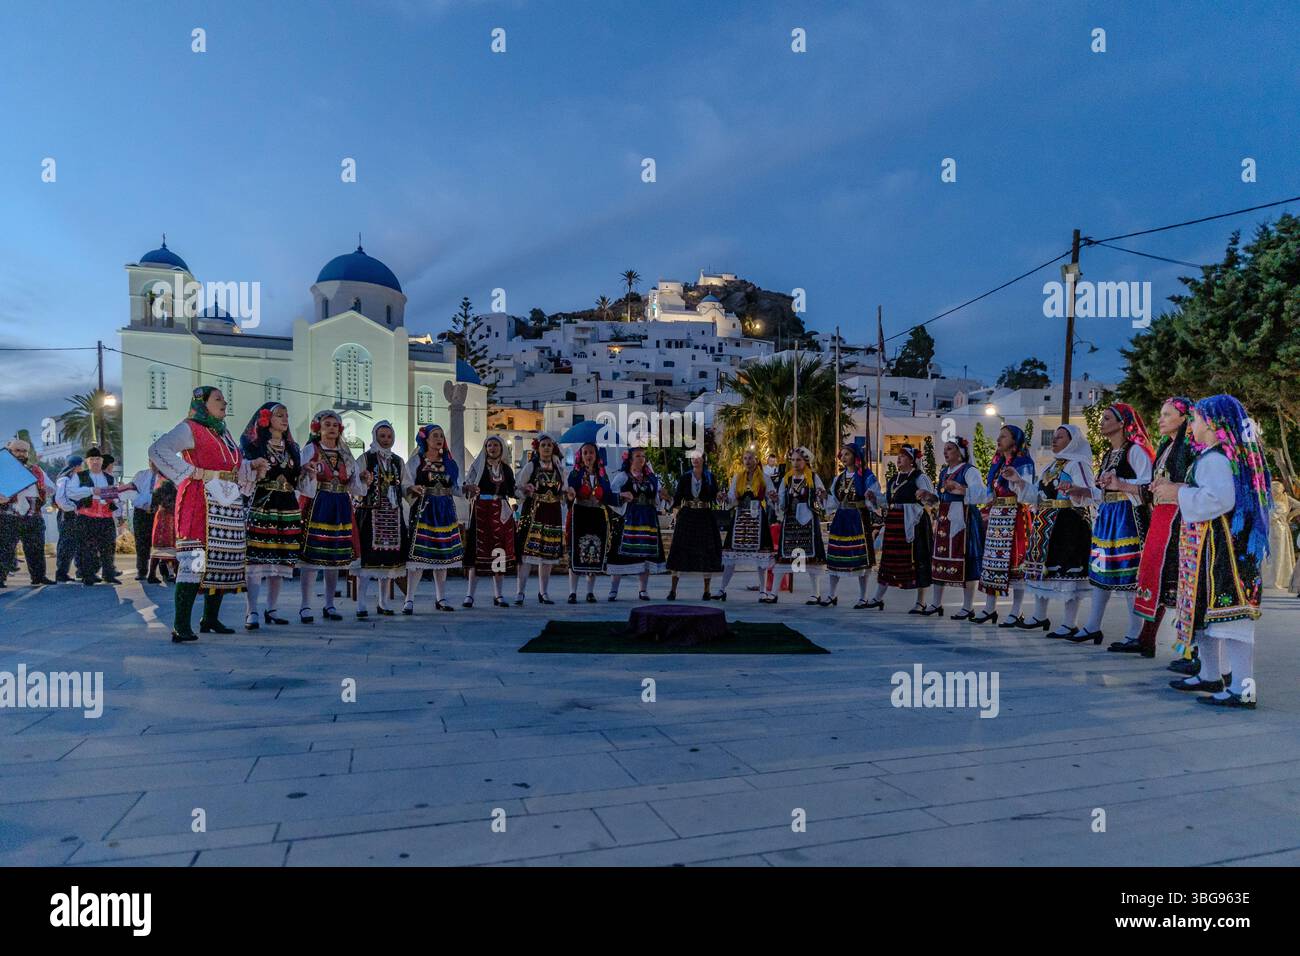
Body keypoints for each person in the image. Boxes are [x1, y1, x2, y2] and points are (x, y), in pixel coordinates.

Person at [1158, 394, 1271, 708]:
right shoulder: (1217, 455)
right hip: (1214, 552)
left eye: (1194, 419)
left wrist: (1177, 491)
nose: (1191, 425)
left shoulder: (1216, 458)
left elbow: (1218, 500)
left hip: (1225, 555)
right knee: (1209, 616)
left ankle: (1242, 688)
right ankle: (1210, 674)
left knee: (1234, 622)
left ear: (1211, 423)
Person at [149, 387, 263, 642]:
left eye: (224, 398)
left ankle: (210, 618)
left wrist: (250, 466)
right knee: (195, 558)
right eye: (218, 399)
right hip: (200, 499)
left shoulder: (223, 432)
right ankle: (181, 625)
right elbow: (158, 449)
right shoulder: (190, 427)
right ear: (203, 403)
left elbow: (230, 464)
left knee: (222, 557)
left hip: (227, 498)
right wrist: (189, 472)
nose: (224, 402)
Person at [1070, 403, 1153, 645]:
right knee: (1101, 570)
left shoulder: (1135, 451)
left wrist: (1120, 482)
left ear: (1121, 423)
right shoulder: (1107, 455)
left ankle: (1135, 632)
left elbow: (1148, 486)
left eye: (1107, 418)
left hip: (1128, 516)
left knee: (1129, 573)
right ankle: (1093, 625)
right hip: (1108, 516)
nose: (1102, 422)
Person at [1122, 398, 1196, 657]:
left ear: (1184, 418)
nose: (1160, 419)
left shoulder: (1190, 447)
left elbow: (1195, 486)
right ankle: (1146, 638)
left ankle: (1193, 652)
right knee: (1156, 576)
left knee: (1185, 582)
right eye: (1161, 414)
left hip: (1182, 521)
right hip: (1162, 519)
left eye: (1167, 414)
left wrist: (1172, 489)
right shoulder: (1166, 446)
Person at [1008, 424, 1096, 636]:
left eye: (1059, 437)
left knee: (1068, 574)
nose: (1053, 441)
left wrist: (1075, 491)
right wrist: (1018, 481)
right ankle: (1039, 615)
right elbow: (1038, 495)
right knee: (1043, 570)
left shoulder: (1079, 464)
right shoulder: (1050, 466)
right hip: (1046, 524)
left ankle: (1069, 622)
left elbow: (1090, 492)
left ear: (1073, 441)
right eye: (1053, 437)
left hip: (1070, 524)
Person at [240, 402, 305, 629]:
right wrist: (254, 468)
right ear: (266, 419)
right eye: (279, 415)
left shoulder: (292, 449)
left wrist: (307, 472)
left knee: (280, 559)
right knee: (257, 559)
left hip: (287, 506)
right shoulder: (254, 445)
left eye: (286, 415)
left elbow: (297, 478)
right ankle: (252, 610)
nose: (285, 419)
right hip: (263, 504)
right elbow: (243, 471)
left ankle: (272, 608)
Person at [298, 410, 363, 622]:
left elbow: (354, 484)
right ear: (318, 427)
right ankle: (305, 605)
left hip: (341, 505)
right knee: (312, 556)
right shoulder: (311, 449)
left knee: (334, 556)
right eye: (328, 424)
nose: (332, 428)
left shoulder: (345, 453)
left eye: (336, 424)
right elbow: (299, 478)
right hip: (319, 503)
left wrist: (363, 480)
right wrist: (308, 473)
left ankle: (330, 604)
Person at [976, 425, 1036, 627]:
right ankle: (989, 608)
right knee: (993, 563)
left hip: (1015, 516)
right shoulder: (997, 463)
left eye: (1004, 436)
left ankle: (1015, 611)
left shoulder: (1023, 462)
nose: (999, 439)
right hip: (997, 516)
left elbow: (1026, 493)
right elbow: (991, 490)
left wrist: (1016, 480)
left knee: (1015, 563)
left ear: (1015, 440)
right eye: (999, 435)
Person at [403, 423, 464, 612]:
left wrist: (466, 489)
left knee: (442, 556)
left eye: (441, 436)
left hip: (445, 510)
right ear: (425, 439)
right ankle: (409, 600)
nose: (439, 439)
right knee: (419, 556)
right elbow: (405, 483)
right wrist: (412, 488)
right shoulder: (416, 461)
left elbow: (455, 487)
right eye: (435, 435)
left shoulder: (449, 463)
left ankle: (441, 598)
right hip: (425, 510)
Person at [866, 445, 934, 612]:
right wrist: (875, 498)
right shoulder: (893, 479)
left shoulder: (919, 477)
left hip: (914, 522)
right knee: (889, 560)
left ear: (912, 461)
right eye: (899, 456)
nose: (899, 459)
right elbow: (887, 501)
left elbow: (931, 499)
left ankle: (921, 602)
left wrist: (925, 495)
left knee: (918, 559)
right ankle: (877, 598)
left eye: (903, 456)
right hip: (895, 522)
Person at [926, 437, 988, 618]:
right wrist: (928, 498)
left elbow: (980, 494)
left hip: (964, 518)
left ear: (961, 452)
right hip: (946, 518)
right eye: (945, 449)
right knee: (940, 559)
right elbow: (940, 497)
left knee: (966, 560)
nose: (946, 452)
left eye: (951, 449)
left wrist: (962, 490)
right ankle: (936, 603)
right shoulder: (944, 472)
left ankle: (968, 606)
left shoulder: (970, 471)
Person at [356, 421, 406, 617]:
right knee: (366, 562)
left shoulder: (397, 461)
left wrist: (412, 490)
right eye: (382, 436)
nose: (386, 440)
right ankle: (361, 604)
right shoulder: (365, 458)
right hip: (370, 514)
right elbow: (356, 483)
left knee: (388, 562)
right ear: (375, 437)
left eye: (389, 436)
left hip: (392, 515)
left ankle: (383, 602)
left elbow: (406, 483)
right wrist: (362, 480)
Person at [463, 434, 517, 608]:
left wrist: (526, 491)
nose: (492, 448)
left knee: (499, 553)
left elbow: (513, 492)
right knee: (476, 554)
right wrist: (468, 488)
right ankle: (470, 595)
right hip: (481, 513)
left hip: (500, 514)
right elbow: (468, 485)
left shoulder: (506, 470)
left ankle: (498, 595)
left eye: (495, 445)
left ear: (501, 448)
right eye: (489, 445)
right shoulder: (478, 467)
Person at [717, 449, 778, 603]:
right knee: (731, 555)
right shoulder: (738, 478)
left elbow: (772, 498)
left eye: (750, 458)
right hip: (740, 519)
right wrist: (725, 498)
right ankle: (721, 589)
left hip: (757, 517)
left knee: (761, 556)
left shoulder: (764, 478)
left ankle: (763, 591)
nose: (748, 461)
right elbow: (732, 499)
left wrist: (774, 498)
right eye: (745, 458)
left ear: (756, 460)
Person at [607, 447, 668, 601]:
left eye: (643, 456)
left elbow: (658, 496)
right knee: (620, 553)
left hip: (648, 519)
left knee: (646, 555)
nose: (641, 459)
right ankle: (613, 590)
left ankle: (643, 590)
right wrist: (621, 495)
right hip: (629, 518)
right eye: (637, 456)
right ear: (630, 459)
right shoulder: (622, 476)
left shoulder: (652, 478)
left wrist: (663, 496)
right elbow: (610, 495)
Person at [825, 443, 880, 608]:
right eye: (842, 455)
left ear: (855, 456)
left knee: (860, 559)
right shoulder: (839, 478)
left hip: (858, 519)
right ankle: (831, 595)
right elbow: (833, 501)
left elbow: (876, 496)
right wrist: (823, 497)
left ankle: (863, 597)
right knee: (835, 558)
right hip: (841, 519)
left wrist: (871, 497)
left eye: (847, 454)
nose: (843, 458)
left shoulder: (866, 476)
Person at [515, 433, 568, 604]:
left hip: (552, 512)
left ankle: (543, 592)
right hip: (534, 512)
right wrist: (525, 489)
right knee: (527, 554)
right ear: (537, 448)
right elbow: (517, 488)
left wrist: (567, 494)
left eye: (549, 445)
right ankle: (520, 593)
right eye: (543, 445)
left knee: (548, 555)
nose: (546, 448)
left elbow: (564, 489)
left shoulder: (559, 467)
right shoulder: (531, 466)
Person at [665, 448, 724, 600]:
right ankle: (673, 590)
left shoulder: (710, 477)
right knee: (679, 549)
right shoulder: (685, 477)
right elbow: (677, 499)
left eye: (698, 457)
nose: (695, 460)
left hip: (705, 516)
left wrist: (719, 496)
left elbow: (716, 497)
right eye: (693, 458)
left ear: (703, 459)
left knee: (707, 551)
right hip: (688, 515)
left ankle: (707, 590)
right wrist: (669, 502)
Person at [774, 446, 828, 605]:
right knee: (785, 557)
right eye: (793, 460)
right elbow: (782, 500)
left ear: (806, 461)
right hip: (790, 521)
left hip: (808, 523)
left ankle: (816, 593)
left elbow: (821, 500)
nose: (795, 463)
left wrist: (821, 498)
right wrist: (776, 501)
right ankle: (773, 592)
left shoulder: (813, 477)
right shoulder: (787, 478)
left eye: (798, 460)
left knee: (811, 559)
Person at [64, 447, 122, 587]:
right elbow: (71, 492)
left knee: (108, 547)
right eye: (92, 459)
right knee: (87, 548)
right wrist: (90, 490)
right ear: (87, 462)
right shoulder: (80, 476)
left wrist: (115, 497)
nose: (95, 462)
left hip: (106, 517)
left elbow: (115, 496)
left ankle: (108, 574)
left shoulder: (109, 477)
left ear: (102, 461)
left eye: (97, 459)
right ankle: (88, 575)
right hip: (87, 517)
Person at [564, 441, 610, 604]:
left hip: (597, 514)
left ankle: (590, 592)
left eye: (591, 452)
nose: (588, 456)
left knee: (594, 552)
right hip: (580, 515)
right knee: (576, 553)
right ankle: (572, 592)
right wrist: (570, 496)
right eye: (585, 453)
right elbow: (569, 494)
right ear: (581, 456)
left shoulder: (602, 474)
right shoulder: (575, 474)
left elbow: (608, 494)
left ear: (596, 455)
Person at [0, 438, 50, 587]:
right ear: (9, 452)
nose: (21, 454)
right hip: (8, 516)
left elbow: (49, 488)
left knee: (36, 548)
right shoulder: (2, 469)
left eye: (24, 451)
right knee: (5, 549)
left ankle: (39, 577)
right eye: (17, 450)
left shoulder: (36, 469)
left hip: (33, 516)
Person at [1261, 478, 1300, 591]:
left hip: (1278, 531)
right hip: (1274, 530)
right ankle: (1274, 579)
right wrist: (1289, 516)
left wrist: (1289, 516)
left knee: (1277, 555)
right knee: (1272, 555)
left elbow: (1270, 517)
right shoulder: (1278, 500)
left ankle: (1276, 580)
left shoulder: (1281, 502)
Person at [124, 460, 159, 583]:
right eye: (151, 461)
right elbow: (131, 492)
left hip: (159, 514)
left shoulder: (167, 476)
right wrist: (142, 504)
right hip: (141, 513)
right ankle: (142, 571)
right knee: (141, 542)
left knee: (160, 543)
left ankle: (164, 572)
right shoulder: (141, 475)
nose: (154, 464)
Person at [52, 455, 83, 582]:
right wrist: (73, 508)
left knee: (79, 544)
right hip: (67, 516)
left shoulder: (76, 479)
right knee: (66, 544)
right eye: (81, 465)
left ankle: (81, 571)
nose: (82, 468)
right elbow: (60, 499)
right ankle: (61, 573)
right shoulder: (64, 479)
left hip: (76, 515)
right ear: (75, 466)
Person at [149, 473, 178, 583]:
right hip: (170, 517)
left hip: (159, 516)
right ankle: (176, 574)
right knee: (171, 547)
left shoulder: (158, 488)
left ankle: (151, 574)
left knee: (158, 547)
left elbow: (152, 507)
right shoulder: (174, 488)